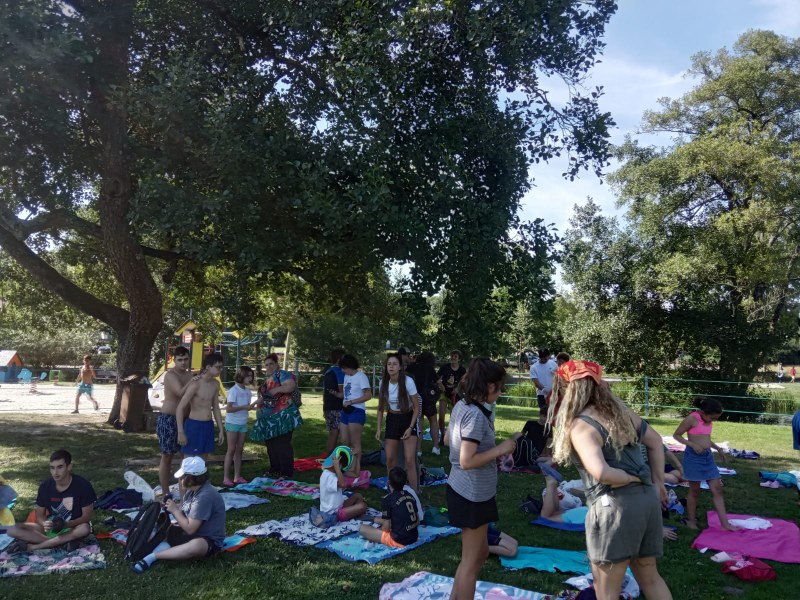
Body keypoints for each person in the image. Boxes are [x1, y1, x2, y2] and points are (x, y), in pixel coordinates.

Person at [551, 359, 672, 600]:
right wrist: (658, 482)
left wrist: (632, 478)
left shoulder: (581, 425)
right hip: (647, 501)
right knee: (650, 577)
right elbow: (656, 442)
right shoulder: (621, 412)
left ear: (567, 389)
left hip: (614, 507)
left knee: (606, 591)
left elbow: (602, 473)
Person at [446, 358, 522, 600]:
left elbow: (449, 440)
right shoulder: (476, 415)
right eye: (500, 387)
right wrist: (500, 449)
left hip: (469, 492)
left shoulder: (462, 406)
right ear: (490, 386)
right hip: (470, 494)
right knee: (470, 562)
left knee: (477, 556)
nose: (500, 392)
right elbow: (467, 460)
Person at [132, 456, 226, 573]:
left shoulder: (204, 496)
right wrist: (170, 507)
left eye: (182, 476)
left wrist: (175, 511)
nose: (180, 479)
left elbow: (190, 529)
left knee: (195, 546)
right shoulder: (192, 491)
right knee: (156, 528)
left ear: (191, 478)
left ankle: (155, 556)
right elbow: (185, 512)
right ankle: (166, 548)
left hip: (207, 539)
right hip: (189, 533)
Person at [6, 449, 96, 551]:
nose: (55, 472)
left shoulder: (83, 486)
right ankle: (59, 543)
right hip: (51, 528)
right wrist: (44, 523)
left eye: (60, 467)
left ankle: (35, 547)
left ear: (69, 467)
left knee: (85, 529)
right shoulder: (45, 486)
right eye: (52, 468)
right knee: (11, 529)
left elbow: (86, 517)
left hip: (73, 528)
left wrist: (66, 524)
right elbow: (40, 514)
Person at [673, 396, 737, 531]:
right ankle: (691, 521)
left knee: (718, 489)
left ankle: (725, 524)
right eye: (712, 418)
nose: (714, 421)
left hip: (707, 458)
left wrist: (717, 448)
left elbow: (705, 439)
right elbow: (676, 435)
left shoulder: (708, 420)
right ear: (703, 413)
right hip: (693, 458)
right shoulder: (691, 419)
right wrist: (692, 444)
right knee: (694, 490)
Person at [251, 353, 301, 478]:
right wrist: (251, 405)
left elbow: (291, 385)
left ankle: (286, 472)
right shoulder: (266, 382)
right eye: (266, 365)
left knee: (282, 444)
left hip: (283, 416)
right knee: (271, 445)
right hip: (268, 420)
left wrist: (275, 390)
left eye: (271, 364)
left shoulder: (281, 374)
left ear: (276, 364)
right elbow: (264, 399)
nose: (269, 366)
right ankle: (275, 469)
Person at [375, 353, 420, 491]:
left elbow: (417, 407)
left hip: (408, 417)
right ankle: (393, 491)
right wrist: (378, 428)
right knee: (389, 460)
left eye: (394, 364)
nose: (391, 367)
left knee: (409, 460)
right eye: (389, 364)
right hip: (392, 419)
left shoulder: (408, 382)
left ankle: (414, 493)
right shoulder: (383, 383)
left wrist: (411, 426)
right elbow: (381, 408)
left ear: (400, 367)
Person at [157, 346, 193, 497]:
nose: (183, 363)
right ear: (174, 360)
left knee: (185, 457)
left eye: (186, 359)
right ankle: (166, 493)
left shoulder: (190, 375)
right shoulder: (170, 374)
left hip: (187, 420)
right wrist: (195, 380)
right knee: (167, 456)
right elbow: (179, 392)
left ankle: (184, 491)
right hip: (168, 419)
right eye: (180, 360)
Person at [176, 353, 225, 460]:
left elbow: (216, 407)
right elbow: (180, 408)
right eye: (218, 367)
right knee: (188, 461)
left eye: (221, 367)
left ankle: (200, 477)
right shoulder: (195, 384)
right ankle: (185, 478)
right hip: (194, 425)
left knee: (203, 461)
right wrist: (180, 432)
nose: (220, 370)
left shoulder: (215, 384)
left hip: (208, 425)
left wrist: (221, 429)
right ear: (208, 367)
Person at [359, 467, 419, 547]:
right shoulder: (410, 495)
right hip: (414, 536)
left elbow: (386, 528)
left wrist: (376, 531)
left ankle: (373, 523)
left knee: (362, 528)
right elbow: (417, 520)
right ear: (405, 482)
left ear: (388, 482)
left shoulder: (387, 499)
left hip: (399, 540)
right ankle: (373, 519)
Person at [310, 446, 368, 527]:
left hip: (340, 506)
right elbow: (343, 484)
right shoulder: (328, 476)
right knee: (362, 506)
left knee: (358, 496)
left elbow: (356, 474)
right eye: (340, 466)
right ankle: (353, 514)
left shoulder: (335, 472)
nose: (341, 469)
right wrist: (337, 468)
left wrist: (357, 458)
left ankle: (355, 514)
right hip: (333, 513)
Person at [223, 366, 257, 486]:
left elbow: (248, 407)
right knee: (231, 450)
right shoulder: (233, 390)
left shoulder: (248, 392)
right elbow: (228, 409)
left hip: (243, 423)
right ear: (241, 376)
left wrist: (257, 404)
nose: (250, 378)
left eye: (251, 376)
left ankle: (237, 476)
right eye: (248, 376)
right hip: (232, 423)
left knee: (239, 450)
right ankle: (226, 477)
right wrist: (244, 407)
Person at [339, 354, 371, 479]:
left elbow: (368, 395)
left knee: (355, 443)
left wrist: (352, 402)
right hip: (345, 411)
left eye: (343, 367)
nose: (342, 370)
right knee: (344, 441)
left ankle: (355, 470)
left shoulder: (361, 376)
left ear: (349, 366)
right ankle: (346, 465)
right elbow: (348, 393)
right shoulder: (347, 376)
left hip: (356, 411)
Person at [408, 351, 441, 455]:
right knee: (433, 422)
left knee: (419, 423)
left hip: (415, 397)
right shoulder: (429, 368)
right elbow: (437, 381)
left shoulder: (412, 367)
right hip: (428, 399)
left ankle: (418, 450)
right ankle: (436, 447)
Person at [437, 350, 466, 445]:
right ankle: (442, 434)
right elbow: (437, 379)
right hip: (444, 394)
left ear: (459, 359)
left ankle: (451, 437)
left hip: (455, 395)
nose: (453, 358)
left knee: (454, 418)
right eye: (452, 356)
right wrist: (440, 384)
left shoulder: (462, 370)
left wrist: (458, 388)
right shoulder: (444, 368)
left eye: (455, 356)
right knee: (441, 417)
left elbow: (463, 382)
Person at [322, 348, 346, 456]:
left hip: (328, 406)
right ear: (339, 358)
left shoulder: (328, 371)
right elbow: (342, 391)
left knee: (332, 433)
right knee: (341, 434)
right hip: (337, 407)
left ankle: (329, 457)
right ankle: (343, 459)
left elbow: (324, 392)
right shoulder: (339, 371)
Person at [530, 348, 557, 424]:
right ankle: (542, 428)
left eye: (545, 357)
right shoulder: (534, 367)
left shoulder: (553, 363)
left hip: (553, 393)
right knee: (543, 413)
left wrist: (556, 374)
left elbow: (559, 376)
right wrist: (544, 389)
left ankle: (549, 430)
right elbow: (535, 382)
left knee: (552, 413)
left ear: (548, 356)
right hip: (541, 394)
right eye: (542, 358)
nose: (544, 359)